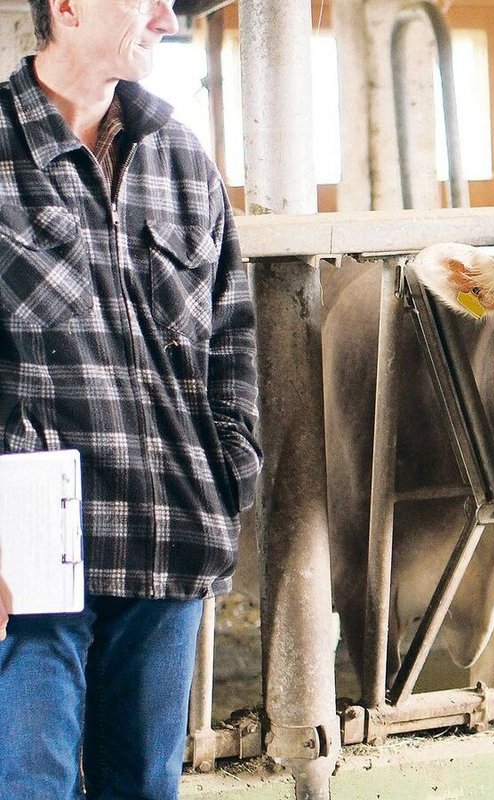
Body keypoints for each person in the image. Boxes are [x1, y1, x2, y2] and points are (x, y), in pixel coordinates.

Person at [0, 1, 260, 798]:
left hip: (166, 530)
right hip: (27, 558)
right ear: (69, 5)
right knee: (28, 786)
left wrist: (229, 473)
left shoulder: (180, 154)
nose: (166, 20)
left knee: (145, 789)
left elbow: (233, 330)